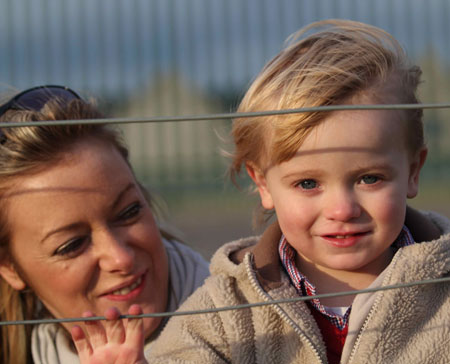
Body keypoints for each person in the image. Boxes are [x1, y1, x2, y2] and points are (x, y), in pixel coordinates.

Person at [145, 19, 450, 363]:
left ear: (413, 171)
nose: (342, 209)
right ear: (263, 184)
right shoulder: (227, 310)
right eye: (308, 183)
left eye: (369, 178)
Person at [0, 85, 209, 364]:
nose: (120, 258)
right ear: (9, 268)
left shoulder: (258, 320)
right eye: (71, 245)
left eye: (129, 211)